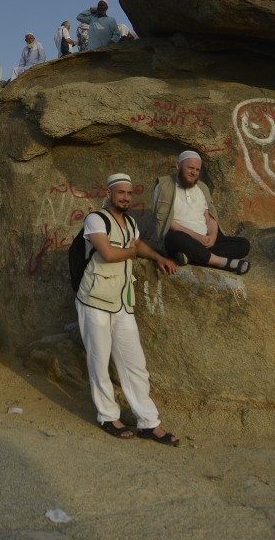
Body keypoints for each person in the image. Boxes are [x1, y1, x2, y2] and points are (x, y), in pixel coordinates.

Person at [75, 173, 180, 445]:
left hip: (122, 301)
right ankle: (108, 416)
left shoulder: (130, 222)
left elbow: (136, 244)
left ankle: (148, 422)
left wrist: (158, 257)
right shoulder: (95, 219)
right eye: (120, 192)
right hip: (94, 301)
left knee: (135, 364)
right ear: (109, 193)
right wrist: (133, 252)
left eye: (129, 193)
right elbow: (108, 254)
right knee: (99, 362)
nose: (125, 197)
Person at [153, 150, 251, 274]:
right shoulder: (163, 186)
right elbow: (168, 221)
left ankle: (191, 256)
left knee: (243, 245)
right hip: (181, 238)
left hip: (204, 241)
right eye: (190, 168)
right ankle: (223, 263)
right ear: (178, 166)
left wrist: (212, 236)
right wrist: (197, 237)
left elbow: (209, 218)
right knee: (175, 238)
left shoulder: (202, 188)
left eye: (197, 170)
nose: (194, 172)